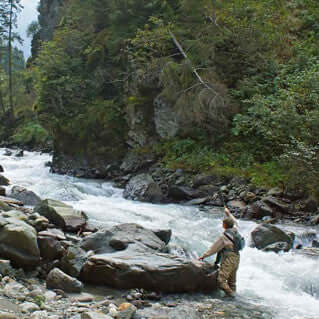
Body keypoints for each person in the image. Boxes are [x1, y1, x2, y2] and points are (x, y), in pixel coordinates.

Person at [198, 207, 240, 297]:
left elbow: (214, 249)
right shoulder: (236, 230)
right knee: (232, 281)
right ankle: (233, 298)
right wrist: (228, 213)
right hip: (237, 257)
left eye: (223, 224)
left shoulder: (224, 236)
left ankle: (232, 296)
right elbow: (235, 221)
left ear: (224, 226)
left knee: (221, 281)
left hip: (229, 259)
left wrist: (203, 256)